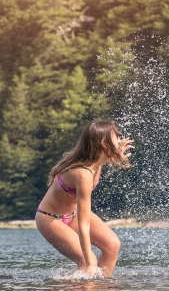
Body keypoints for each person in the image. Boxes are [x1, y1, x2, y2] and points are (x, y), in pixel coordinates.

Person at [35, 119, 133, 277]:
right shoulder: (83, 174)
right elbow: (84, 221)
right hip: (50, 219)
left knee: (112, 245)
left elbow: (105, 158)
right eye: (116, 138)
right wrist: (89, 262)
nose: (120, 141)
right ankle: (62, 290)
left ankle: (99, 290)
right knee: (88, 263)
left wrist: (114, 157)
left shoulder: (97, 162)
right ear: (104, 143)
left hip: (71, 214)